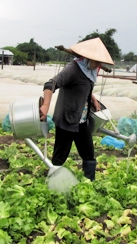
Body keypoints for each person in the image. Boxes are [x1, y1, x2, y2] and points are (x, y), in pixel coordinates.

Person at [39, 38, 114, 181]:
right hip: (67, 119)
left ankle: (89, 183)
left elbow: (83, 86)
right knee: (61, 155)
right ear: (88, 58)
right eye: (97, 62)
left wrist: (93, 99)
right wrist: (46, 105)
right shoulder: (73, 69)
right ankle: (52, 182)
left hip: (82, 120)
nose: (99, 66)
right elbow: (50, 84)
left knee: (88, 153)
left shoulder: (90, 71)